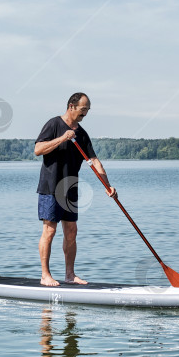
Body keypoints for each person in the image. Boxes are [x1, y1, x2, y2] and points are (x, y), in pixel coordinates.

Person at [34, 93, 117, 287]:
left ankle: (70, 275)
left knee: (71, 231)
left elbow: (94, 160)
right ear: (71, 106)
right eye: (83, 110)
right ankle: (45, 275)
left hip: (70, 189)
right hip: (51, 187)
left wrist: (108, 185)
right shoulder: (54, 124)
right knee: (50, 230)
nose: (85, 114)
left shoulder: (82, 133)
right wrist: (62, 138)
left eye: (87, 110)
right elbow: (38, 149)